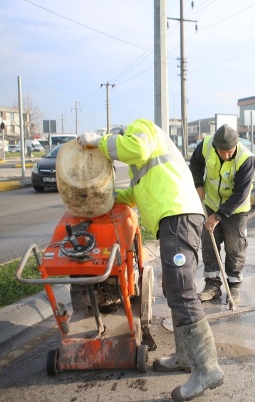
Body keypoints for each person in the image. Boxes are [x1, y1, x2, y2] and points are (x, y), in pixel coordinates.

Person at [78, 119, 224, 401]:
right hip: (173, 220)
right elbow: (132, 195)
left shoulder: (140, 129)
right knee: (174, 291)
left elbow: (135, 147)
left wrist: (99, 142)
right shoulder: (143, 169)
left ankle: (208, 369)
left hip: (178, 216)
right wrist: (103, 198)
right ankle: (185, 356)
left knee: (181, 293)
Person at [189, 124, 255, 305]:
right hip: (210, 203)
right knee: (209, 244)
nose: (225, 155)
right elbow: (195, 164)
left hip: (236, 209)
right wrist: (198, 184)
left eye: (229, 152)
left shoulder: (245, 159)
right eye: (221, 151)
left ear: (236, 146)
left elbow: (240, 194)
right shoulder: (206, 145)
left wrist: (217, 217)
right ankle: (212, 285)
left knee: (235, 248)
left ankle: (233, 286)